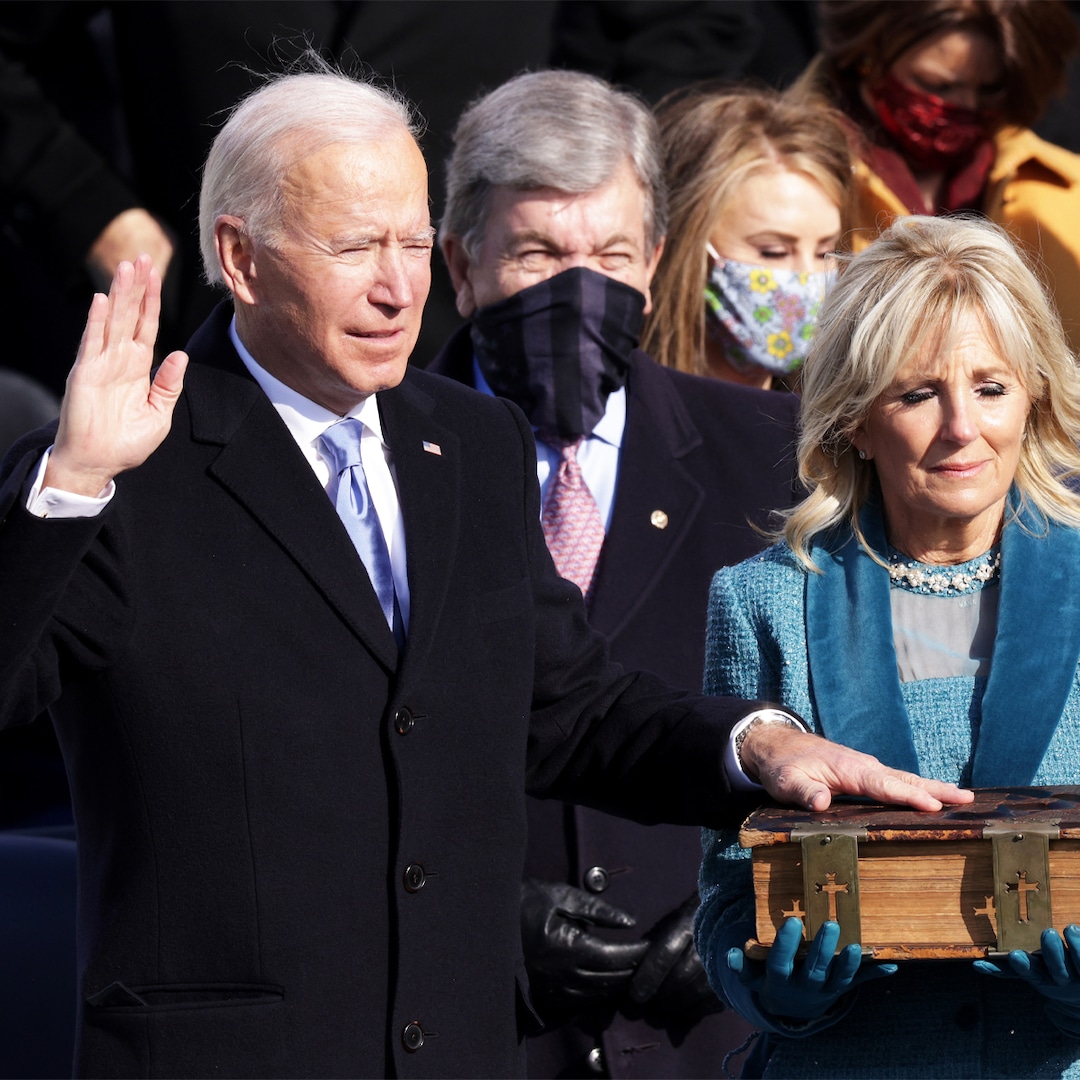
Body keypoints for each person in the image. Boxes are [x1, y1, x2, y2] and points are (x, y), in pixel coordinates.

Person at [0, 67, 967, 1079]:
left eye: (413, 242)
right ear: (240, 258)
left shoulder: (466, 441)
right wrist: (69, 482)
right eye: (355, 246)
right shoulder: (122, 462)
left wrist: (758, 746)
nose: (398, 286)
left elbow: (572, 707)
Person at [433, 68, 801, 1077]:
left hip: (715, 1037)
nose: (576, 288)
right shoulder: (373, 462)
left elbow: (870, 729)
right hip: (470, 1033)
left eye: (608, 254)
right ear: (461, 266)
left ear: (655, 264)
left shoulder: (783, 458)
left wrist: (766, 900)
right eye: (540, 253)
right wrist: (469, 916)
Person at [695, 214, 1080, 1078]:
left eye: (990, 387)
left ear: (1036, 398)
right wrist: (776, 991)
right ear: (854, 422)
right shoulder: (762, 601)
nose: (960, 428)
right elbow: (724, 898)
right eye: (916, 394)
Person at [802, 0, 1080, 351]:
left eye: (989, 89)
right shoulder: (785, 174)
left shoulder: (1065, 187)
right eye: (937, 85)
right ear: (867, 53)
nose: (964, 105)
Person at [642, 84, 851, 390]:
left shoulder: (839, 428)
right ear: (680, 247)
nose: (808, 279)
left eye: (825, 253)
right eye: (773, 252)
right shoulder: (619, 418)